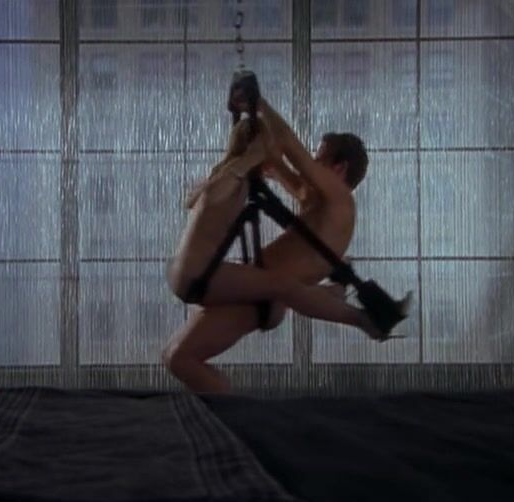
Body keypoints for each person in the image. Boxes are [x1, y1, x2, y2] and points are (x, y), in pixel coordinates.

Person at [162, 95, 383, 393]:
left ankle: (350, 309)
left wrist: (259, 103)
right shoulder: (314, 200)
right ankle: (332, 292)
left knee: (183, 358)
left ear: (339, 169)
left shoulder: (339, 199)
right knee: (175, 357)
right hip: (255, 288)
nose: (311, 164)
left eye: (318, 159)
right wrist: (256, 149)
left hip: (262, 299)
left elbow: (288, 144)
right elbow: (277, 161)